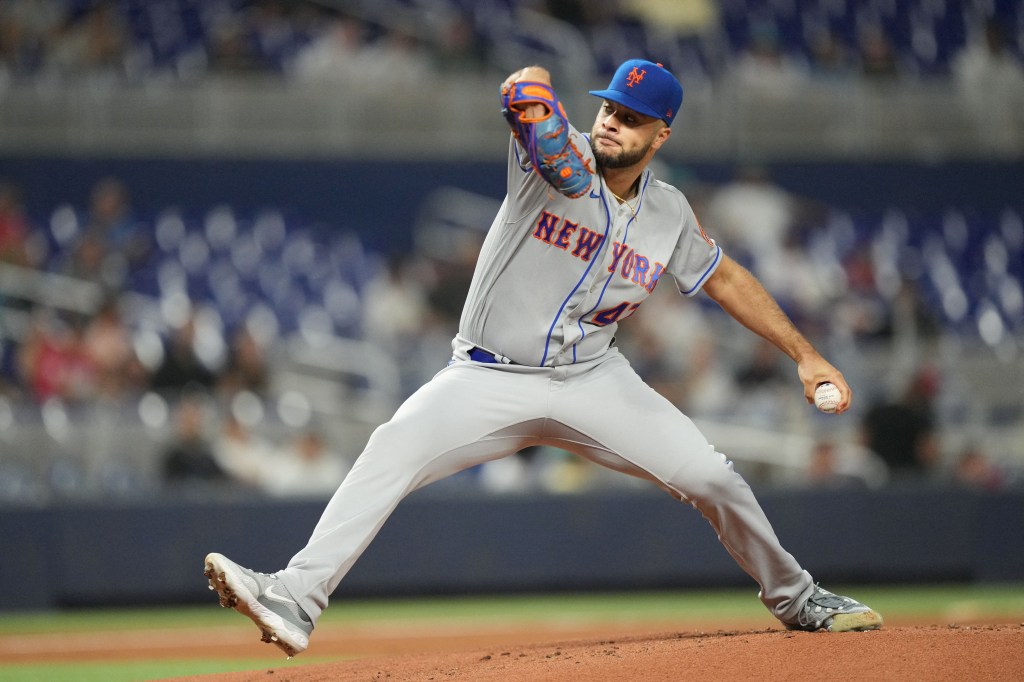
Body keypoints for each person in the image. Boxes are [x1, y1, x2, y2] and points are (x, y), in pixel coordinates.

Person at [204, 59, 882, 657]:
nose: (614, 122)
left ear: (662, 134)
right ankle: (295, 598)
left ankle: (797, 598)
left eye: (634, 117)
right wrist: (534, 105)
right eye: (610, 108)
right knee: (392, 448)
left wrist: (805, 354)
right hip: (488, 375)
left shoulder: (669, 214)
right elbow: (525, 87)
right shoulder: (548, 161)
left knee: (713, 477)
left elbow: (725, 278)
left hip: (594, 379)